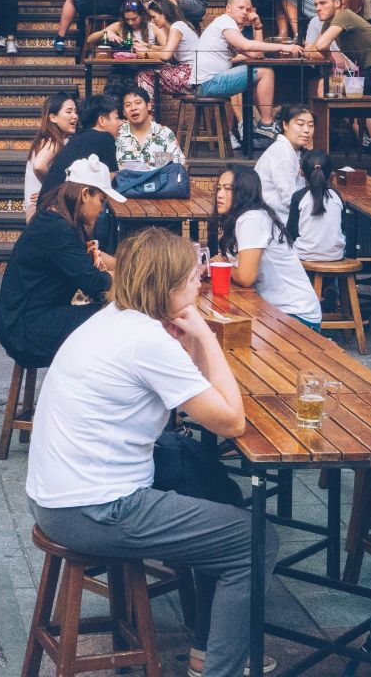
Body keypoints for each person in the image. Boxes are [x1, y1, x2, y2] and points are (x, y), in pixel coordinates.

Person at [25, 227, 265, 677]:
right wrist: (208, 336)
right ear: (169, 286)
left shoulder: (114, 318)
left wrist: (191, 337)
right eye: (193, 276)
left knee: (204, 474)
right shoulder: (146, 341)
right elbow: (231, 420)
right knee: (256, 541)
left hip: (56, 494)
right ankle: (220, 666)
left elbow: (193, 387)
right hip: (94, 509)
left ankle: (208, 643)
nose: (199, 282)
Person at [0, 158, 122, 369]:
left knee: (113, 316)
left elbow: (92, 256)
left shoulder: (58, 219)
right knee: (116, 318)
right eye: (102, 200)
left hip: (30, 318)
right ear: (84, 194)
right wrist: (127, 279)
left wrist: (129, 269)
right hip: (24, 329)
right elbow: (96, 284)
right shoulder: (57, 229)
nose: (102, 210)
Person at [273, 0, 371, 149]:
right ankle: (324, 142)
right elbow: (315, 52)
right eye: (316, 4)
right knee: (327, 84)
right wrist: (321, 52)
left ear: (337, 3)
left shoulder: (344, 16)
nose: (318, 8)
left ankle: (318, 146)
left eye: (323, 3)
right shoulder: (328, 23)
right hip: (369, 75)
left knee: (325, 84)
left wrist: (320, 51)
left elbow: (320, 46)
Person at [211, 166, 320, 326]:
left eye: (228, 189)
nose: (220, 195)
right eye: (219, 188)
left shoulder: (253, 219)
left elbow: (246, 277)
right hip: (270, 309)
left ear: (244, 192)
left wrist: (225, 265)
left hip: (296, 315)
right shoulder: (240, 219)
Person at [192, 0, 286, 141]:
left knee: (261, 72)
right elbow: (247, 45)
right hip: (209, 83)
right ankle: (267, 124)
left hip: (208, 83)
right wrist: (283, 47)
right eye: (241, 8)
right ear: (228, 8)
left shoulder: (231, 28)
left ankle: (262, 125)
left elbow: (257, 55)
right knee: (265, 72)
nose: (245, 12)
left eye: (248, 9)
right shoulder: (225, 22)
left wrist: (258, 25)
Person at [44, 93, 123, 200]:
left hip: (47, 204)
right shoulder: (106, 138)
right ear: (102, 121)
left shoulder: (79, 137)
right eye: (117, 118)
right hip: (61, 211)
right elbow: (107, 183)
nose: (120, 123)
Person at [25, 92, 79, 221]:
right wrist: (54, 190)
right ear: (53, 118)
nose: (75, 116)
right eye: (69, 112)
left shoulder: (53, 139)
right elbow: (39, 166)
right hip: (42, 208)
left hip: (41, 207)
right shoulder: (53, 140)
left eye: (75, 111)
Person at [253, 103, 314, 217]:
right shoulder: (283, 153)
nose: (306, 130)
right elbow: (291, 199)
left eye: (310, 125)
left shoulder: (293, 150)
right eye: (300, 124)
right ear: (285, 125)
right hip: (273, 219)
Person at [285, 150, 346, 261]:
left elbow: (292, 232)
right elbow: (342, 227)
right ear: (331, 173)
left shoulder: (299, 197)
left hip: (304, 255)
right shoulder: (336, 196)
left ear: (301, 172)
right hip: (335, 256)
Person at [115, 87, 185, 172]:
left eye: (138, 103)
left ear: (148, 106)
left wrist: (150, 165)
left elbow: (177, 164)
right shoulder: (116, 134)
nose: (133, 108)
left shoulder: (164, 134)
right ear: (123, 112)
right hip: (125, 184)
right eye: (128, 105)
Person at [86, 0, 155, 52]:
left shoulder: (153, 26)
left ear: (142, 15)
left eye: (134, 19)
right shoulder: (120, 25)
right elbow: (89, 40)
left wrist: (146, 46)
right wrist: (105, 32)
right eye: (127, 19)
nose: (130, 23)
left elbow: (164, 49)